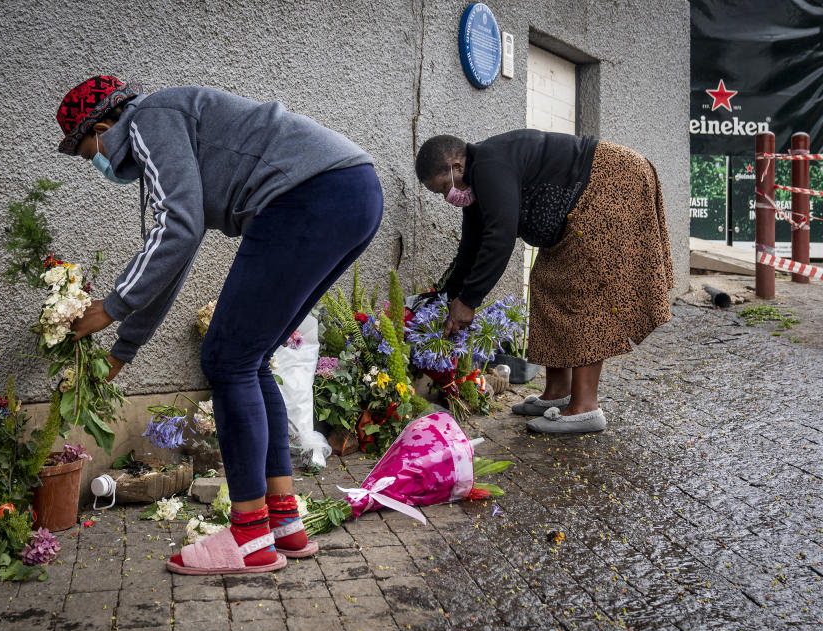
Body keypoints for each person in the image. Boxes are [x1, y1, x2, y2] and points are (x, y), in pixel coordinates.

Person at [57, 76, 383, 574]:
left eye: (87, 153)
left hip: (309, 195)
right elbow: (176, 251)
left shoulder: (147, 120)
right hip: (352, 191)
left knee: (227, 359)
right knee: (247, 361)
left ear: (102, 127)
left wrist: (109, 307)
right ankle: (282, 524)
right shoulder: (166, 126)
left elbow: (178, 229)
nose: (95, 164)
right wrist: (124, 348)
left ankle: (248, 538)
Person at [415, 130, 674, 434]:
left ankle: (585, 408)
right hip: (588, 195)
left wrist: (469, 302)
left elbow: (499, 239)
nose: (447, 197)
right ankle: (557, 392)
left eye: (445, 187)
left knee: (582, 289)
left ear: (457, 166)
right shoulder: (476, 183)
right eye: (438, 193)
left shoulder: (489, 166)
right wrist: (445, 295)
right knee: (548, 281)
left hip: (611, 180)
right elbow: (471, 248)